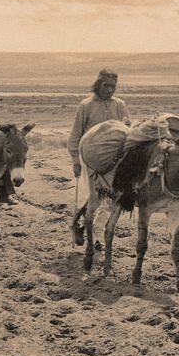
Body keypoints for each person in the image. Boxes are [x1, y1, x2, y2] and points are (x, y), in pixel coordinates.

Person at [67, 69, 131, 242]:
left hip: (115, 160)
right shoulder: (86, 106)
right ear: (97, 85)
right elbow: (75, 135)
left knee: (110, 198)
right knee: (95, 196)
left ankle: (96, 235)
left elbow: (127, 132)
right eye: (106, 85)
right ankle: (79, 224)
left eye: (113, 86)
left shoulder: (120, 105)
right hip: (91, 158)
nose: (109, 90)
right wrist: (75, 161)